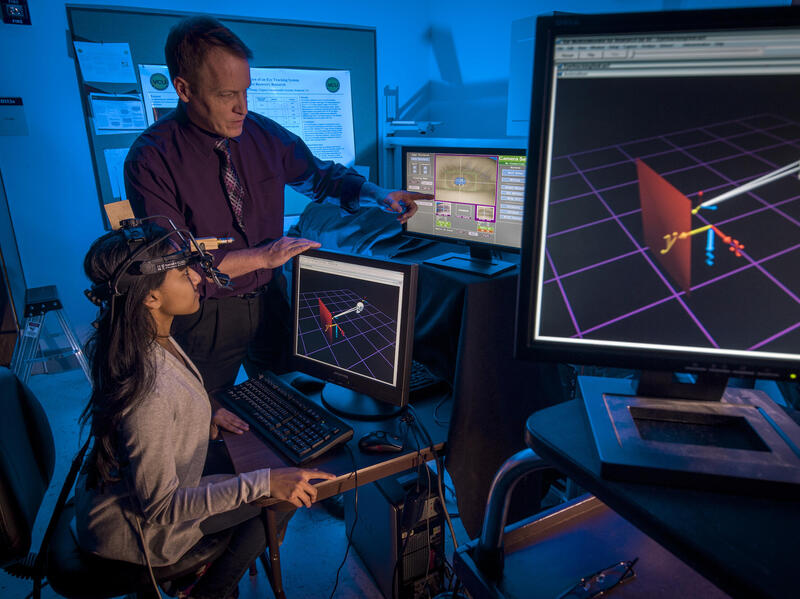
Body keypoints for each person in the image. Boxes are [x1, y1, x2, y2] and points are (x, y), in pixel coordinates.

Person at [125, 16, 433, 431]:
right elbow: (176, 262)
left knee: (294, 406)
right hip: (204, 313)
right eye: (227, 95)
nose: (242, 107)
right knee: (203, 420)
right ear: (183, 89)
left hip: (271, 300)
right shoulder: (150, 158)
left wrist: (378, 194)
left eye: (246, 91)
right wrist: (264, 256)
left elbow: (321, 177)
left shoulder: (261, 133)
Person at [75, 223, 336, 599]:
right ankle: (206, 591)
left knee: (268, 467)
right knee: (282, 495)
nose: (198, 277)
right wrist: (264, 484)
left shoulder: (141, 337)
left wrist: (202, 413)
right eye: (184, 273)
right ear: (150, 297)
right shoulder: (149, 391)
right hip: (145, 533)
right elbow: (162, 507)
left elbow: (154, 418)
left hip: (145, 490)